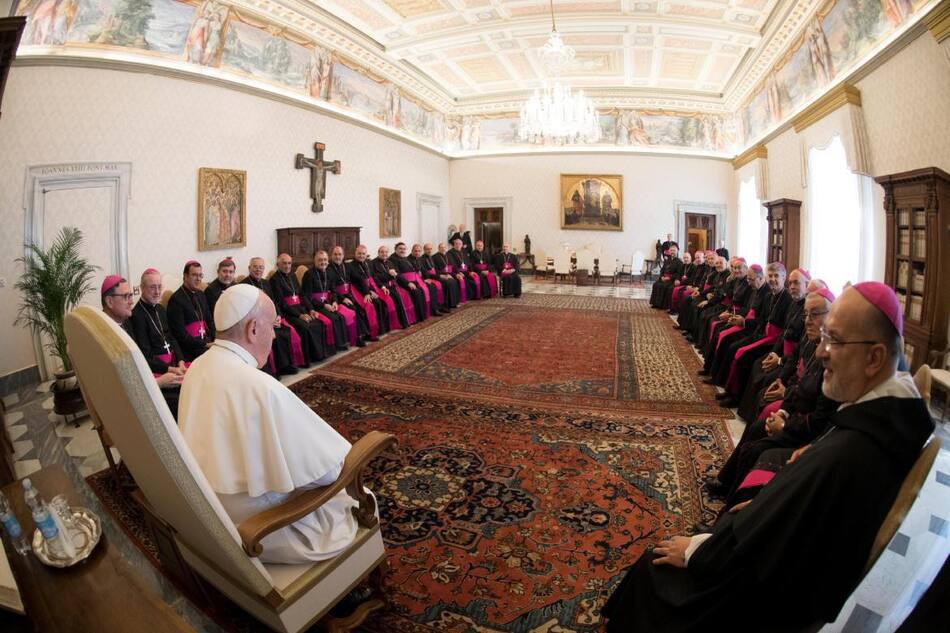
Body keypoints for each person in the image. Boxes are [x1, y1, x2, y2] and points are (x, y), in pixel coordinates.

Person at [602, 282, 934, 632]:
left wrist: (698, 551)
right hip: (780, 562)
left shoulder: (850, 454)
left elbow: (761, 547)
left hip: (761, 598)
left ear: (875, 358)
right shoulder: (888, 417)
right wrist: (772, 497)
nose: (820, 352)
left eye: (833, 340)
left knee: (652, 569)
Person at [179, 284, 365, 564]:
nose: (274, 335)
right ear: (253, 329)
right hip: (267, 530)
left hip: (215, 516)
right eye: (272, 326)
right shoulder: (261, 388)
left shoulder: (199, 368)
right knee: (354, 502)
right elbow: (328, 473)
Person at [708, 288, 838, 504]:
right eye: (806, 314)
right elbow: (798, 374)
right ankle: (726, 481)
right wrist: (784, 409)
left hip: (805, 430)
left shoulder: (833, 359)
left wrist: (784, 422)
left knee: (756, 449)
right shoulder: (812, 337)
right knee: (757, 428)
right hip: (795, 409)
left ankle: (731, 502)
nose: (807, 321)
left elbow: (819, 419)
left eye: (815, 314)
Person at [102, 274, 184, 416]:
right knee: (180, 402)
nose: (131, 302)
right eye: (126, 297)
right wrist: (159, 382)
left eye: (131, 296)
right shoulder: (106, 335)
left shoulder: (125, 323)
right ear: (109, 301)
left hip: (148, 382)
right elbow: (122, 384)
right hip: (132, 402)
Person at [242, 257, 314, 370]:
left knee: (286, 333)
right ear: (249, 268)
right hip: (257, 321)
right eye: (255, 267)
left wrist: (278, 316)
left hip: (271, 319)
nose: (258, 270)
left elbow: (274, 302)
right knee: (279, 336)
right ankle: (280, 368)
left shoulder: (265, 283)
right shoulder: (244, 285)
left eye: (261, 267)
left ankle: (288, 365)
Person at [271, 253, 339, 356]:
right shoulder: (274, 280)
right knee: (306, 328)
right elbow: (281, 303)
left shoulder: (292, 275)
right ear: (277, 264)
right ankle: (310, 357)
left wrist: (311, 309)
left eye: (289, 263)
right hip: (288, 313)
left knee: (317, 322)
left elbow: (302, 295)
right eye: (284, 263)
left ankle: (321, 354)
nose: (287, 266)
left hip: (300, 308)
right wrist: (300, 315)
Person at [131, 269, 188, 378]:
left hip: (174, 364)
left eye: (159, 286)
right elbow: (145, 355)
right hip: (158, 372)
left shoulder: (160, 309)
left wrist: (181, 361)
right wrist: (170, 369)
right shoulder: (136, 316)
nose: (157, 292)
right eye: (152, 287)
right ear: (142, 287)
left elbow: (171, 338)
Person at [301, 251, 351, 351]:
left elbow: (333, 291)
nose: (323, 262)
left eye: (324, 260)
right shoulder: (309, 274)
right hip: (315, 305)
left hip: (328, 303)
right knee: (333, 318)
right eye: (320, 260)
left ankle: (341, 343)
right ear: (314, 261)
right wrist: (323, 305)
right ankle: (334, 346)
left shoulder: (329, 272)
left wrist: (335, 302)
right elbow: (307, 296)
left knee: (340, 316)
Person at [326, 246, 375, 344]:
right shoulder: (328, 269)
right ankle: (357, 338)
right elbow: (332, 289)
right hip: (337, 297)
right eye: (335, 254)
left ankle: (367, 333)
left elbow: (359, 279)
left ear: (343, 255)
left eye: (340, 254)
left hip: (349, 294)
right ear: (331, 256)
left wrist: (366, 293)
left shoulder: (347, 266)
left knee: (363, 307)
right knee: (354, 310)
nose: (337, 257)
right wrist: (342, 299)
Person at [167, 261, 214, 362]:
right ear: (185, 276)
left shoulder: (201, 295)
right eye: (194, 275)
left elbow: (209, 321)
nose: (198, 279)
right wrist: (205, 344)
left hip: (206, 344)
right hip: (189, 350)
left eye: (200, 275)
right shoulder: (176, 300)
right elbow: (180, 335)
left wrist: (214, 341)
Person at [347, 245, 393, 335]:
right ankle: (372, 331)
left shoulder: (368, 263)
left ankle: (382, 328)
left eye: (363, 254)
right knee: (375, 303)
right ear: (355, 253)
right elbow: (358, 281)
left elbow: (372, 278)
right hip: (358, 291)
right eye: (359, 253)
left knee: (382, 302)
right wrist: (368, 292)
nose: (361, 255)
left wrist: (378, 288)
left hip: (369, 289)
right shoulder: (351, 266)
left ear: (366, 254)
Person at [371, 245, 413, 327]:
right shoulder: (373, 263)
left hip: (393, 285)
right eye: (382, 252)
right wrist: (389, 274)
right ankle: (403, 323)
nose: (384, 254)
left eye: (386, 252)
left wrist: (397, 276)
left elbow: (397, 275)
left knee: (406, 293)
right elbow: (376, 278)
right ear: (378, 253)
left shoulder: (390, 262)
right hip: (382, 287)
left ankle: (410, 319)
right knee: (397, 297)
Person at [389, 242, 430, 320]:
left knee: (422, 289)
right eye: (400, 249)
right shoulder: (392, 259)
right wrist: (408, 283)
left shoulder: (404, 257)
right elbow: (398, 274)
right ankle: (417, 317)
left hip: (410, 281)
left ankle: (422, 315)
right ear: (395, 249)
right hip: (400, 282)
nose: (402, 250)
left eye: (404, 249)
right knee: (416, 291)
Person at [411, 243, 450, 315]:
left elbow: (424, 271)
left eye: (419, 251)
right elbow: (414, 275)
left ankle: (441, 306)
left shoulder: (419, 259)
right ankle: (434, 309)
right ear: (412, 251)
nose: (417, 253)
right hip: (418, 281)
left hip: (424, 278)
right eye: (415, 251)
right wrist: (424, 280)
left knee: (442, 284)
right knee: (432, 287)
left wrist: (440, 276)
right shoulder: (410, 260)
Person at [432, 242, 462, 307]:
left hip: (450, 274)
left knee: (455, 280)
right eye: (441, 247)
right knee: (450, 282)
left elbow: (453, 267)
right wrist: (445, 275)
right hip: (441, 275)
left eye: (444, 247)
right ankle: (450, 304)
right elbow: (435, 270)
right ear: (438, 248)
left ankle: (455, 302)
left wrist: (457, 274)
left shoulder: (448, 256)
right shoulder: (434, 257)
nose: (443, 249)